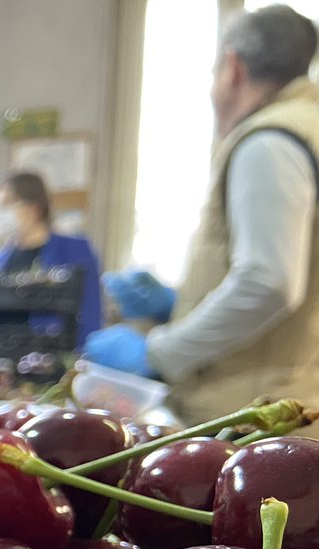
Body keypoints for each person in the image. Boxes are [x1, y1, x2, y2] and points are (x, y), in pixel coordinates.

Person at [86, 5, 319, 424]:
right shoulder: (308, 127)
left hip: (256, 414)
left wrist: (158, 351)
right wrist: (181, 303)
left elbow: (270, 282)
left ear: (233, 68)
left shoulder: (269, 140)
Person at [0, 170, 103, 346]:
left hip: (51, 358)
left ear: (33, 209)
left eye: (5, 206)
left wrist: (77, 361)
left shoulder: (74, 249)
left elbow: (90, 311)